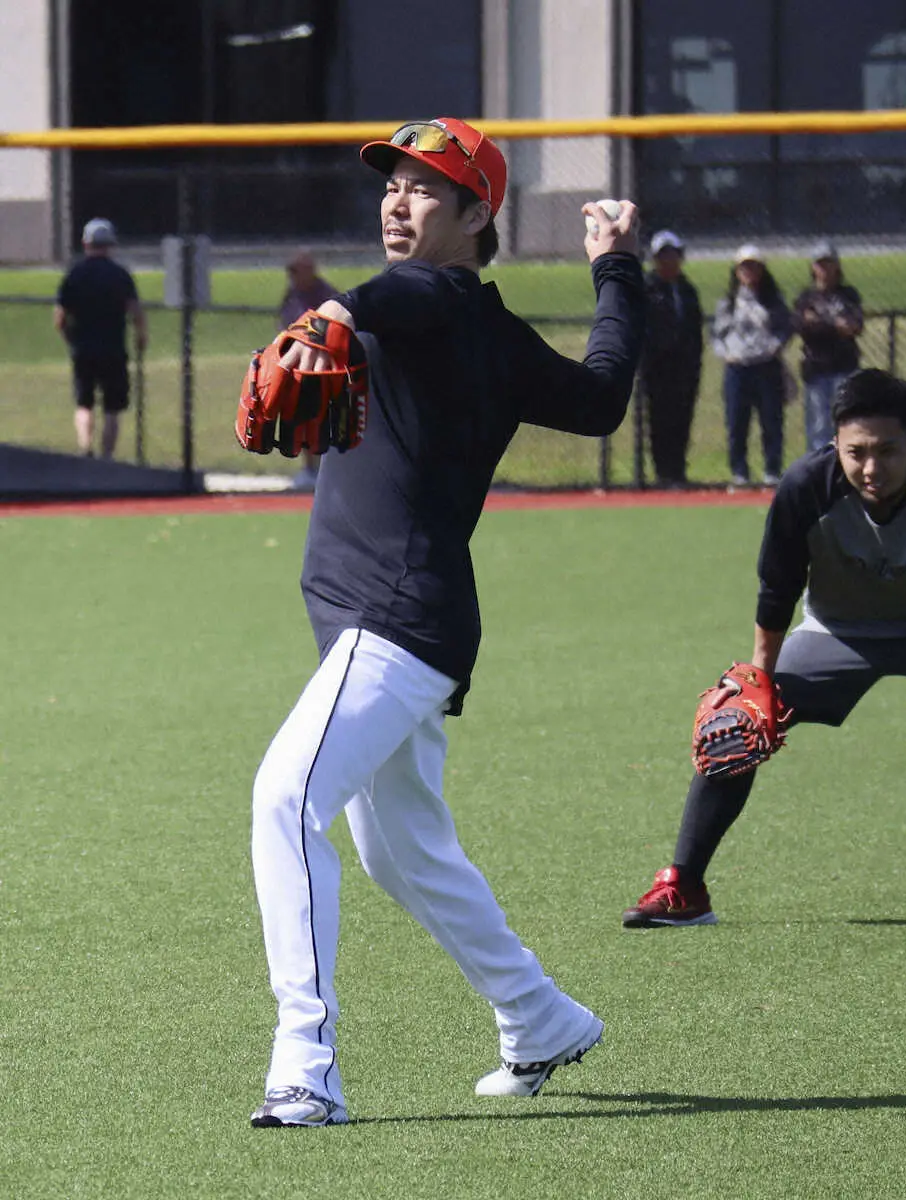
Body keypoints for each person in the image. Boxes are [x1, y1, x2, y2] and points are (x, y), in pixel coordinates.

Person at [246, 116, 645, 1128]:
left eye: (424, 187)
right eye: (391, 183)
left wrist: (335, 310)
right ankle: (539, 1016)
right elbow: (601, 397)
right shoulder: (493, 335)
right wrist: (615, 272)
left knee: (286, 798)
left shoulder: (431, 296)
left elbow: (396, 297)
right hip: (403, 619)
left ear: (477, 216)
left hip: (392, 618)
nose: (397, 200)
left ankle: (305, 1063)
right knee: (402, 852)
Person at [622, 368, 906, 928]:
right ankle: (684, 887)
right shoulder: (806, 486)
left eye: (888, 450)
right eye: (857, 452)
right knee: (734, 725)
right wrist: (757, 682)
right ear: (835, 444)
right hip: (836, 631)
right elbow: (777, 587)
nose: (872, 467)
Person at [54, 218, 147, 459]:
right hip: (114, 348)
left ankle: (86, 449)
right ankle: (107, 457)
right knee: (112, 408)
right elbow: (135, 311)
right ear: (110, 245)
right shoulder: (120, 275)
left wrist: (70, 339)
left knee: (84, 404)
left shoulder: (75, 274)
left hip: (83, 349)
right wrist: (141, 336)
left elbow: (60, 317)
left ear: (86, 243)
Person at [712, 244, 792, 487]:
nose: (748, 271)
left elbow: (785, 327)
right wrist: (727, 353)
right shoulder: (728, 302)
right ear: (736, 271)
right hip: (737, 368)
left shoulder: (773, 301)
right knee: (737, 422)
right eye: (744, 267)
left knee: (771, 421)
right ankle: (740, 472)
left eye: (753, 266)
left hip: (766, 366)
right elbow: (716, 334)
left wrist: (774, 347)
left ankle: (772, 470)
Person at [640, 229, 703, 487]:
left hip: (685, 368)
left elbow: (695, 329)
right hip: (657, 368)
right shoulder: (646, 289)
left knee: (682, 419)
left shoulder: (687, 290)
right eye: (662, 255)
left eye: (672, 254)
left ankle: (678, 471)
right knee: (660, 420)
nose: (668, 260)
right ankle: (663, 473)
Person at [793, 240, 864, 452]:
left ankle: (846, 465)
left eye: (828, 263)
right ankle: (820, 466)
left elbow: (855, 326)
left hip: (845, 366)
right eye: (820, 263)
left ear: (837, 266)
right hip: (816, 368)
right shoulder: (806, 297)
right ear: (813, 267)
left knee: (848, 420)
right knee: (818, 426)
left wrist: (820, 321)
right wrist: (836, 324)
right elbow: (804, 327)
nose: (824, 268)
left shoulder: (848, 294)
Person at [278, 250, 341, 490]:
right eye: (290, 272)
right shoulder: (291, 294)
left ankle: (326, 470)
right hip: (298, 368)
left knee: (322, 419)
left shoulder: (326, 296)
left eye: (296, 271)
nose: (293, 276)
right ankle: (309, 470)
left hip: (322, 368)